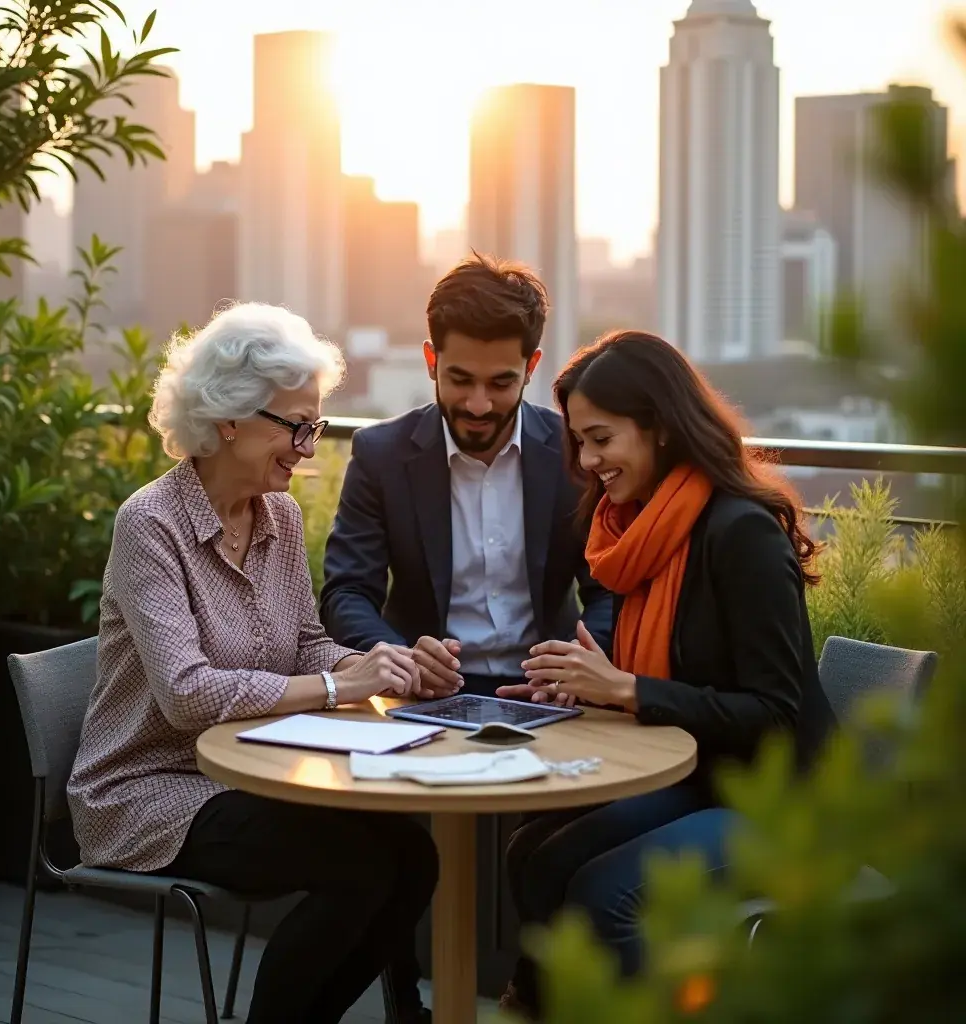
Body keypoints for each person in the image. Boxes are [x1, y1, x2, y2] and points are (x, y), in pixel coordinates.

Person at [67, 303, 438, 1024]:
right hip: (149, 793)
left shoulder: (280, 516)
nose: (309, 447)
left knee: (413, 859)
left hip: (245, 771)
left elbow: (304, 642)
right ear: (230, 418)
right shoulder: (151, 525)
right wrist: (338, 685)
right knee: (359, 869)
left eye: (316, 425)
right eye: (297, 426)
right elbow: (185, 695)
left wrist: (379, 664)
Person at [493, 330, 837, 1015]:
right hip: (705, 771)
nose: (588, 463)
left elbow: (775, 712)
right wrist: (599, 678)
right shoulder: (641, 528)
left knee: (605, 890)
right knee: (535, 851)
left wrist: (627, 689)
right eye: (579, 443)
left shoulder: (740, 532)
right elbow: (680, 666)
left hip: (779, 798)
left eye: (601, 439)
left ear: (660, 428)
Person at [319, 253, 615, 1016]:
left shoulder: (573, 457)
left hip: (544, 694)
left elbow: (610, 588)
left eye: (500, 382)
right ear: (430, 361)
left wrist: (583, 656)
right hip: (420, 697)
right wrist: (390, 651)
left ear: (533, 367)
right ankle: (405, 1005)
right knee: (382, 856)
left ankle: (531, 998)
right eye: (459, 380)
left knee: (561, 850)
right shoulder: (382, 455)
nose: (479, 404)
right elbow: (347, 591)